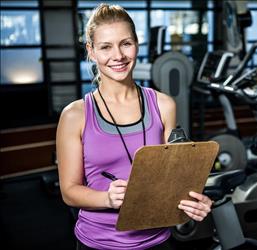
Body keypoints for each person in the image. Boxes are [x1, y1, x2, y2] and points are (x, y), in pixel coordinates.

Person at [56, 3, 212, 250]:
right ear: (91, 51)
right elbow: (69, 191)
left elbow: (175, 176)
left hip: (157, 240)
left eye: (125, 43)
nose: (118, 56)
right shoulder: (75, 115)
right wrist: (107, 198)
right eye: (106, 47)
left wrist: (195, 200)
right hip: (98, 243)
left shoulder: (164, 105)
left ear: (137, 45)